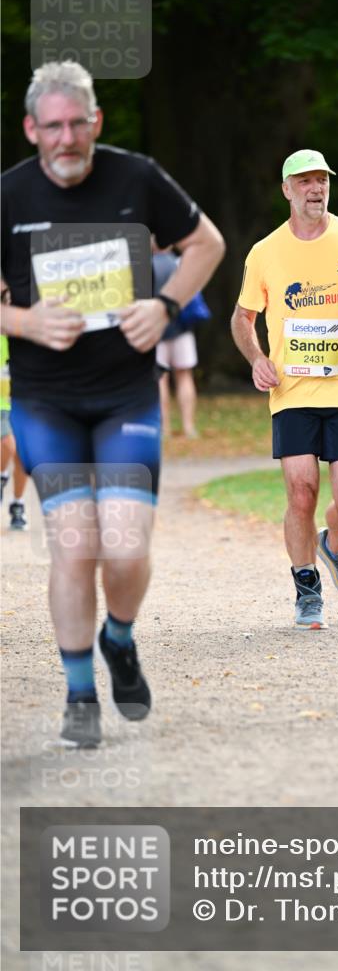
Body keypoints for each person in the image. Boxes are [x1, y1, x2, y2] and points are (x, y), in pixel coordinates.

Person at [0, 61, 224, 747]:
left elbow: (206, 244)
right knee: (74, 546)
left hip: (126, 391)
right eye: (53, 126)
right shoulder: (8, 194)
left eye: (79, 123)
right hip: (46, 400)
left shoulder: (136, 177)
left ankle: (119, 638)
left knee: (125, 546)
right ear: (32, 129)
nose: (67, 138)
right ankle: (78, 697)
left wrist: (163, 306)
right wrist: (25, 323)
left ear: (95, 122)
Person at [230, 149, 338, 630]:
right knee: (301, 493)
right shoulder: (264, 251)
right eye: (304, 182)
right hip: (293, 389)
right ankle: (307, 590)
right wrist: (257, 359)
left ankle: (335, 545)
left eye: (321, 180)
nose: (315, 189)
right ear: (287, 190)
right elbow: (243, 317)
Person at [153, 248, 204, 439]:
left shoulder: (145, 267)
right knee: (185, 377)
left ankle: (164, 429)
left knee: (160, 380)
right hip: (182, 330)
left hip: (156, 332)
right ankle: (189, 427)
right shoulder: (181, 265)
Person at [0, 333, 29, 529]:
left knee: (23, 457)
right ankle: (2, 476)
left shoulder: (27, 336)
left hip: (23, 403)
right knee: (8, 444)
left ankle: (17, 504)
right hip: (2, 404)